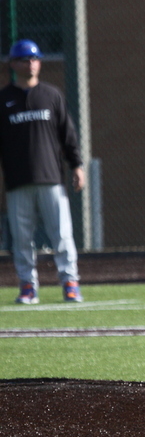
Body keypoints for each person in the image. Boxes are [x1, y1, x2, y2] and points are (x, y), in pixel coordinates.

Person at [0, 39, 84, 304]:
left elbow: (68, 134)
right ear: (13, 64)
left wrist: (77, 165)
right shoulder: (4, 99)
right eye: (25, 59)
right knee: (22, 239)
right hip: (17, 181)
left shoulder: (51, 95)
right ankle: (28, 286)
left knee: (61, 235)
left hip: (51, 179)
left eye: (35, 58)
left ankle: (70, 283)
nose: (31, 63)